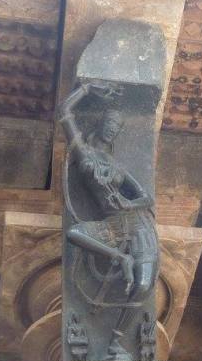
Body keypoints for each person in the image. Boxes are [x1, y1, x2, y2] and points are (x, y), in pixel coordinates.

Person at [58, 80, 158, 300]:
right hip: (112, 225)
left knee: (142, 287)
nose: (113, 128)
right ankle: (120, 258)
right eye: (111, 122)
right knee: (74, 233)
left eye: (117, 126)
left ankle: (121, 327)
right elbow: (64, 110)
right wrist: (87, 89)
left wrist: (127, 203)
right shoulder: (83, 151)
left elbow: (146, 198)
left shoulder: (117, 166)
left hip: (137, 224)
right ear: (102, 123)